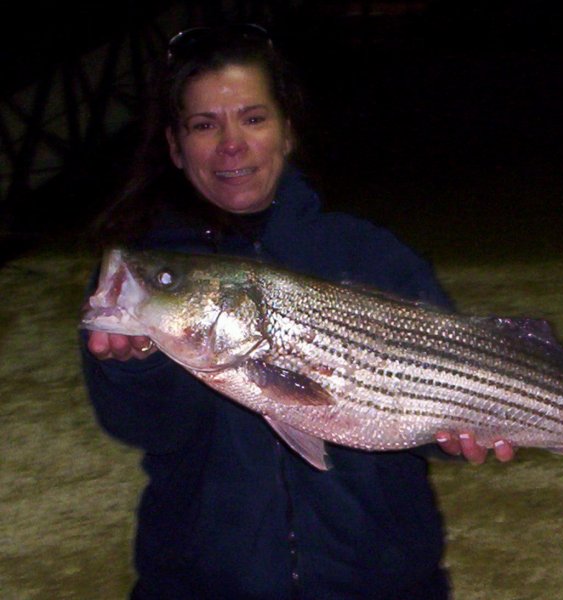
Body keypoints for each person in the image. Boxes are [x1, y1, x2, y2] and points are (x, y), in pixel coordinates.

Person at [81, 23, 514, 600]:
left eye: (254, 119)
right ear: (175, 148)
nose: (231, 144)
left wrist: (452, 431)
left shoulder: (373, 255)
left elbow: (426, 401)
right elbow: (143, 428)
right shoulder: (152, 271)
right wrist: (140, 366)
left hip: (377, 582)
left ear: (287, 133)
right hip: (203, 584)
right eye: (204, 125)